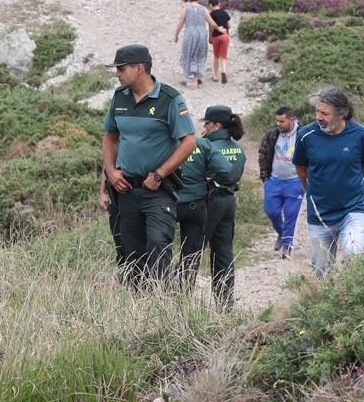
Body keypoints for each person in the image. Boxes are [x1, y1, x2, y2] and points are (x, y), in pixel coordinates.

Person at [102, 44, 197, 289]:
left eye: (121, 69)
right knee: (131, 252)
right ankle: (138, 308)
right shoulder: (119, 98)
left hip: (158, 189)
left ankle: (162, 302)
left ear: (140, 68)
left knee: (157, 243)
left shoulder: (170, 99)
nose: (118, 74)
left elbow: (189, 142)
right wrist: (111, 172)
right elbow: (110, 136)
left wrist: (160, 173)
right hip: (126, 190)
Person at [293, 86, 364, 279]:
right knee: (321, 272)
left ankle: (352, 300)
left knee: (354, 254)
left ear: (342, 114)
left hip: (353, 208)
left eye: (325, 113)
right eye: (317, 111)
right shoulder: (306, 136)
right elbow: (300, 167)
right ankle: (327, 304)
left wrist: (357, 186)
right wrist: (312, 189)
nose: (319, 117)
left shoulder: (361, 135)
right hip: (320, 213)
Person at [177, 105, 246, 304]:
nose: (204, 126)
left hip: (208, 203)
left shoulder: (204, 146)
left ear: (216, 125)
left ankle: (180, 301)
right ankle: (225, 305)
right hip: (228, 203)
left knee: (192, 251)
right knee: (224, 254)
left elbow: (191, 172)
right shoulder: (237, 149)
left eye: (207, 122)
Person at [258, 106, 304, 258]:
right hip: (275, 180)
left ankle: (287, 247)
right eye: (277, 121)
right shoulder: (272, 134)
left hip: (295, 181)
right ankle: (282, 233)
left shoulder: (303, 134)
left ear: (292, 120)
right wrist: (264, 177)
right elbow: (263, 154)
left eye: (282, 121)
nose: (278, 124)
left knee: (291, 214)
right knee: (271, 211)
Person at [173, 0, 212, 88]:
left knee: (189, 54)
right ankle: (197, 77)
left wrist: (176, 35)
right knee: (199, 55)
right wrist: (214, 32)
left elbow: (181, 23)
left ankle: (192, 79)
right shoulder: (204, 9)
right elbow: (211, 22)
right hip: (202, 34)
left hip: (190, 34)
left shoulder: (186, 9)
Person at [207, 0, 230, 84]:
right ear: (219, 3)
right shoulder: (224, 12)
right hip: (225, 36)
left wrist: (210, 37)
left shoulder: (211, 14)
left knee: (216, 56)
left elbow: (212, 27)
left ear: (210, 5)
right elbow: (229, 26)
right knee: (223, 56)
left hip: (216, 37)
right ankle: (223, 71)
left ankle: (216, 76)